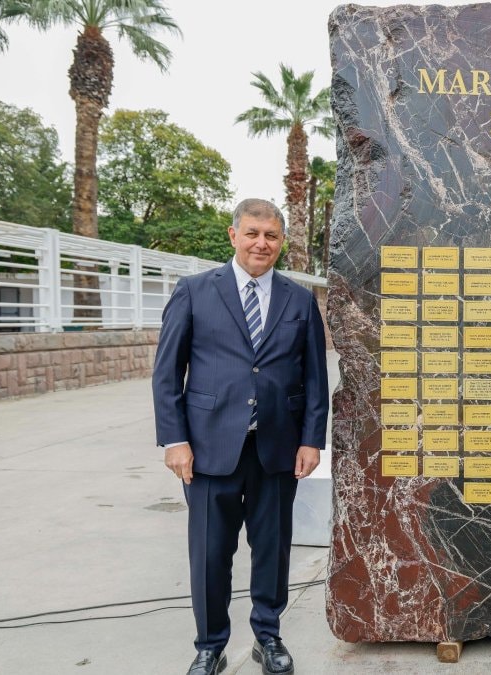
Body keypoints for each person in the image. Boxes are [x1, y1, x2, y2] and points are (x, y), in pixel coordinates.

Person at [153, 198, 329, 675]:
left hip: (278, 449)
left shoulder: (299, 300)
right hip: (208, 449)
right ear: (233, 235)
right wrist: (174, 440)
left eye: (271, 235)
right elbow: (167, 373)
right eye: (252, 233)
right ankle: (210, 646)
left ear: (281, 242)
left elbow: (314, 377)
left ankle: (268, 636)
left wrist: (311, 440)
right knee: (210, 553)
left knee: (272, 549)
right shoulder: (194, 291)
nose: (261, 243)